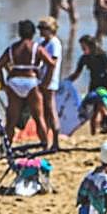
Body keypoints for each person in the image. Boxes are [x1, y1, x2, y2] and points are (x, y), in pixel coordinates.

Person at [0, 20, 56, 147]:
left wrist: (3, 84)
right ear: (33, 33)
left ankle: (7, 145)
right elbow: (51, 63)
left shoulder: (12, 48)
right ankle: (44, 144)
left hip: (14, 81)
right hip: (31, 81)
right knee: (39, 117)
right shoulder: (36, 47)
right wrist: (46, 82)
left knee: (11, 119)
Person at [69, 37, 107, 134]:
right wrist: (67, 81)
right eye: (81, 47)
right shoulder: (84, 58)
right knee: (93, 110)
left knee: (103, 107)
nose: (82, 49)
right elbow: (77, 73)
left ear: (90, 45)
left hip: (104, 86)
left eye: (84, 47)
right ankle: (93, 132)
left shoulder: (102, 56)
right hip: (93, 85)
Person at [36, 17, 63, 151]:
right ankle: (45, 140)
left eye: (43, 28)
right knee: (44, 111)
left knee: (51, 109)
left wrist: (47, 80)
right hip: (42, 79)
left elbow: (53, 64)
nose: (40, 31)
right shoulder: (42, 42)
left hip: (50, 80)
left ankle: (56, 141)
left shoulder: (54, 43)